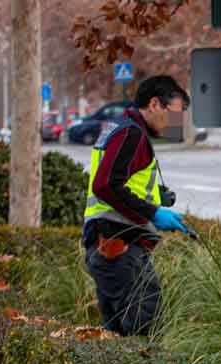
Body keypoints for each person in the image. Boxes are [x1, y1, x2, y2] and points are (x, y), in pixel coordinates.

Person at [82, 75, 190, 336]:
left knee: (116, 335)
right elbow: (106, 185)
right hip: (120, 245)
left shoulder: (121, 128)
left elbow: (120, 180)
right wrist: (153, 212)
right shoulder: (131, 133)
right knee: (143, 327)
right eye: (174, 113)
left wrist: (155, 198)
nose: (176, 122)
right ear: (154, 104)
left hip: (110, 245)